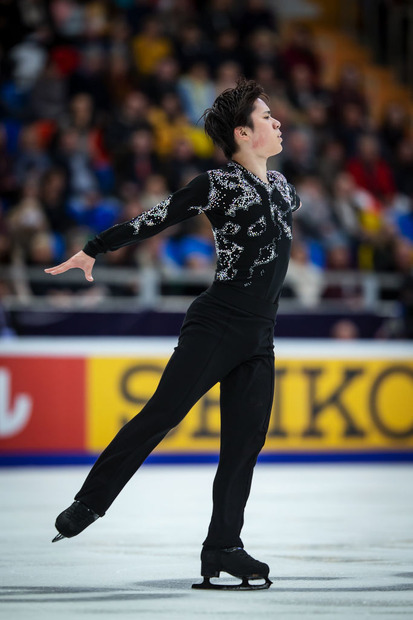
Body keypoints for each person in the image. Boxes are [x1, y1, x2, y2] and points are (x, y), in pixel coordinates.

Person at [45, 78, 301, 591]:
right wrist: (95, 247)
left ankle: (223, 546)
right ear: (243, 132)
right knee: (163, 414)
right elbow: (154, 218)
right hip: (218, 322)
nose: (277, 123)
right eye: (267, 117)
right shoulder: (217, 183)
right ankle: (90, 502)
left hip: (260, 333)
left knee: (245, 442)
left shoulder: (284, 190)